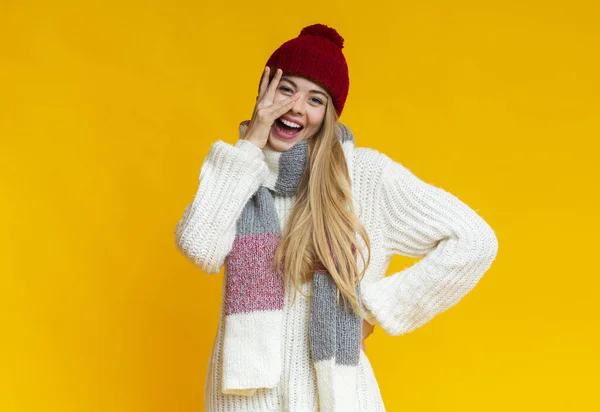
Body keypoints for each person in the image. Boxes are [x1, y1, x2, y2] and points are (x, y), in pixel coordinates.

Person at [174, 23, 498, 412]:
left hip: (338, 400)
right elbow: (199, 246)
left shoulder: (364, 178)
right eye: (285, 88)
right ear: (263, 92)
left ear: (329, 113)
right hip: (243, 404)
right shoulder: (240, 173)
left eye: (315, 99)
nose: (295, 107)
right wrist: (250, 144)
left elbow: (475, 241)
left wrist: (374, 311)